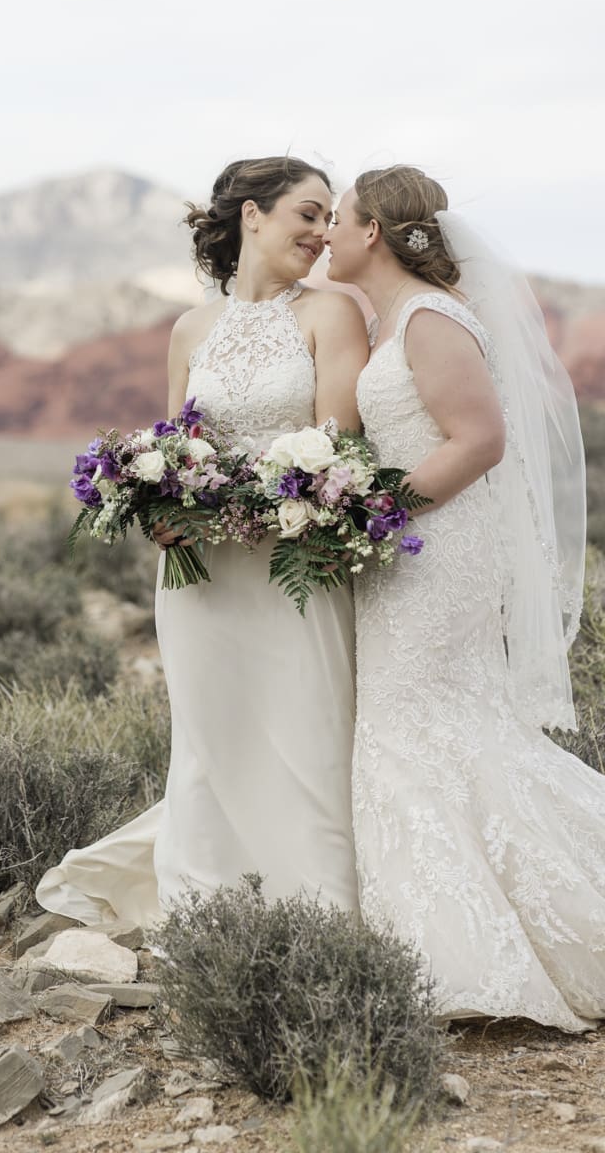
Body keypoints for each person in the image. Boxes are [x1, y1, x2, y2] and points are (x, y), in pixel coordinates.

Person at [36, 157, 369, 927]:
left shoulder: (331, 315)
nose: (321, 234)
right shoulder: (191, 328)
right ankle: (206, 911)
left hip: (295, 562)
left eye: (328, 220)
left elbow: (338, 450)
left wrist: (247, 498)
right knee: (211, 742)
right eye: (307, 215)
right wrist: (157, 496)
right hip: (200, 579)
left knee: (306, 731)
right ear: (252, 215)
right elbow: (177, 443)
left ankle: (318, 913)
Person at [323, 164, 605, 1031]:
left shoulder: (432, 319)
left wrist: (376, 508)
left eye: (336, 218)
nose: (328, 234)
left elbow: (479, 439)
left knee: (418, 728)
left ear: (372, 231)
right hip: (408, 550)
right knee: (428, 730)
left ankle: (465, 962)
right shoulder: (395, 320)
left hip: (435, 554)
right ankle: (441, 942)